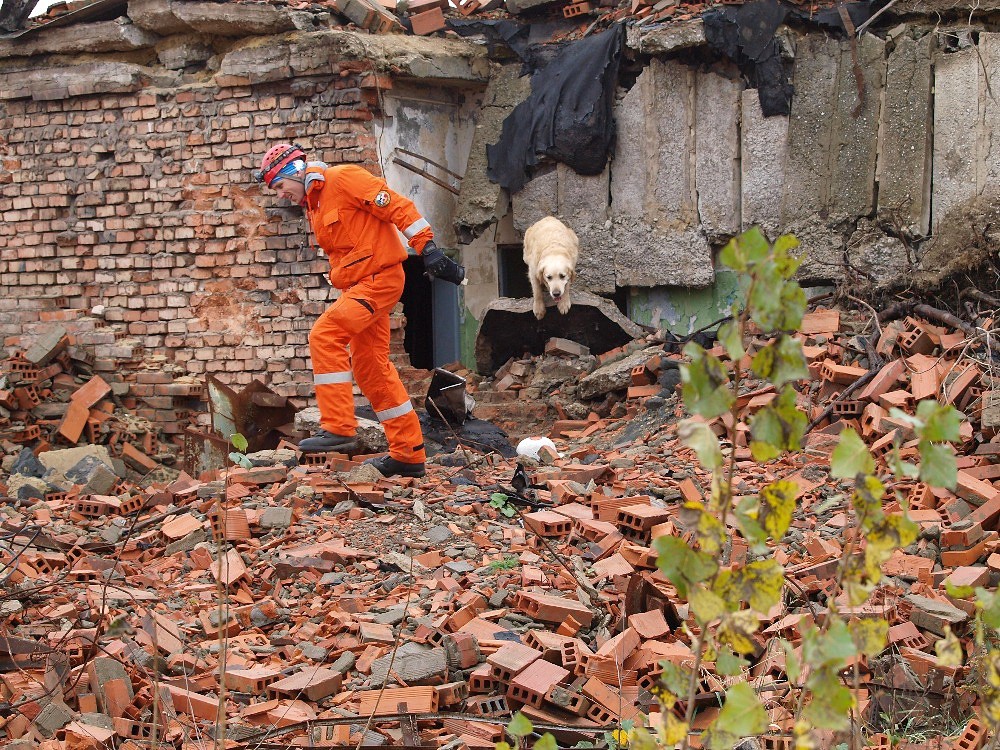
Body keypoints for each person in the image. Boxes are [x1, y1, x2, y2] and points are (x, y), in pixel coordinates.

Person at [254, 143, 466, 478]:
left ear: (295, 171)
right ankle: (408, 454)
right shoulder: (315, 204)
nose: (281, 195)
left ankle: (338, 426)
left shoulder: (343, 179)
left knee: (325, 335)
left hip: (379, 280)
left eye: (280, 186)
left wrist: (427, 247)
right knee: (371, 369)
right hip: (359, 286)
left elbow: (396, 205)